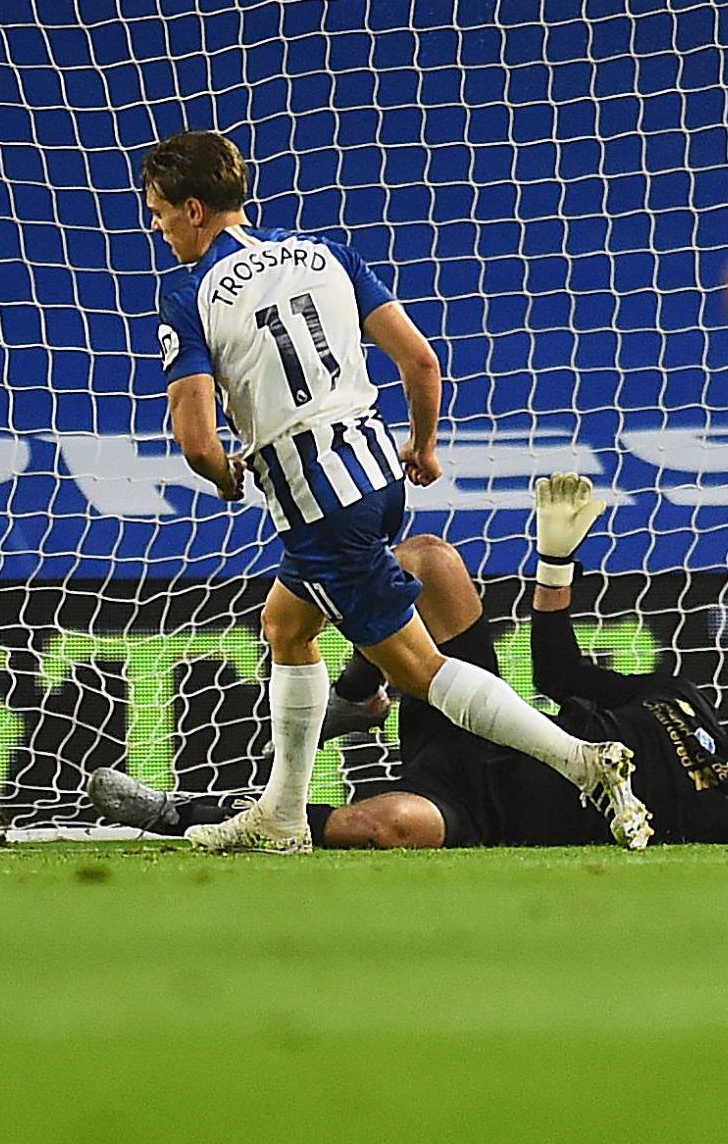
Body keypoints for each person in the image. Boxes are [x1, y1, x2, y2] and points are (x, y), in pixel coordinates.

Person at [136, 130, 649, 853]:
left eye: (157, 212)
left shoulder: (187, 293)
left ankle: (581, 761)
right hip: (379, 473)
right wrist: (425, 446)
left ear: (192, 209)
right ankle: (281, 815)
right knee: (286, 624)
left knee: (420, 670)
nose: (155, 228)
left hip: (324, 508)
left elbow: (196, 441)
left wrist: (225, 476)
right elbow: (423, 361)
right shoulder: (325, 254)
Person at [90, 479, 728, 848]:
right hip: (485, 720)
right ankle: (355, 697)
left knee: (389, 826)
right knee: (431, 559)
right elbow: (560, 676)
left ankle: (178, 813)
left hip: (483, 810)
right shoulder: (683, 701)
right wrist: (556, 563)